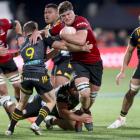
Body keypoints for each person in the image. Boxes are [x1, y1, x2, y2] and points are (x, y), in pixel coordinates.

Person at [5, 21, 92, 136]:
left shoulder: (22, 42)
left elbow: (20, 35)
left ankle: (10, 130)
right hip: (39, 74)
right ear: (36, 29)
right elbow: (63, 46)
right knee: (51, 101)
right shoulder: (43, 38)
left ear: (26, 32)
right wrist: (82, 47)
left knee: (21, 103)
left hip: (25, 74)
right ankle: (36, 124)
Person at [58, 1, 103, 131]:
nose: (67, 17)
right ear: (61, 17)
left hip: (95, 62)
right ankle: (84, 114)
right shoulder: (62, 25)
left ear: (73, 12)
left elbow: (80, 40)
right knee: (84, 93)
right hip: (78, 63)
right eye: (64, 16)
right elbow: (48, 33)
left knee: (92, 96)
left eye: (69, 14)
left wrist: (62, 35)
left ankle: (83, 112)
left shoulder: (81, 21)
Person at [107, 16, 140, 129]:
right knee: (133, 90)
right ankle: (121, 118)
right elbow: (129, 51)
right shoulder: (137, 33)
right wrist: (122, 70)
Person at [0, 18, 22, 120]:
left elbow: (16, 23)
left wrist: (20, 38)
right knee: (2, 90)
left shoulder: (3, 22)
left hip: (6, 59)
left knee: (18, 86)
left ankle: (21, 108)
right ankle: (12, 116)